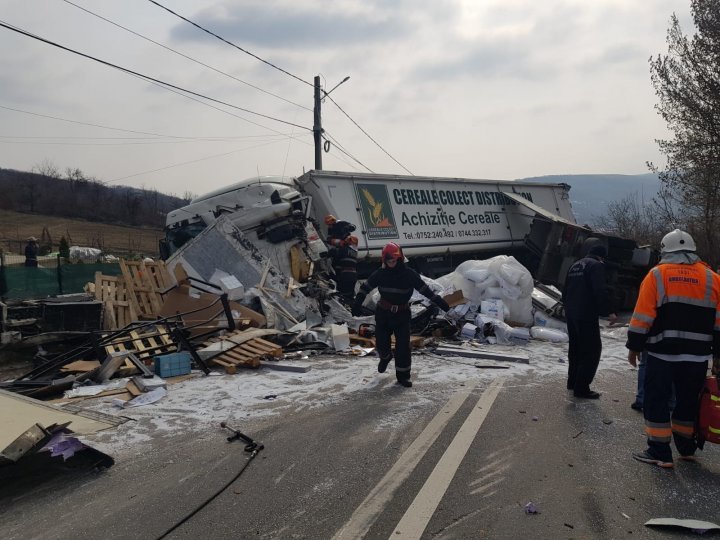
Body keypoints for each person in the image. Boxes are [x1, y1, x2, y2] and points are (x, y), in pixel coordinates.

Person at [626, 229, 720, 468]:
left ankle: (659, 451)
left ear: (665, 250)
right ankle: (686, 448)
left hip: (661, 353)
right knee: (688, 401)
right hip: (697, 357)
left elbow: (642, 317)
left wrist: (634, 347)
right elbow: (719, 324)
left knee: (656, 399)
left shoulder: (657, 275)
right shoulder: (713, 279)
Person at [351, 242, 449, 388]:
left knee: (403, 347)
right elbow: (365, 288)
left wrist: (441, 303)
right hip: (383, 314)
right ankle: (385, 357)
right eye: (388, 260)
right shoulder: (380, 274)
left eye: (394, 260)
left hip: (402, 315)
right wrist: (357, 304)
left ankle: (403, 376)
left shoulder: (409, 274)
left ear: (400, 258)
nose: (391, 262)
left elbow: (426, 290)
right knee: (381, 344)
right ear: (384, 260)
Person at [562, 243, 618, 398]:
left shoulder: (575, 265)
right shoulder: (596, 266)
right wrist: (609, 312)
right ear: (601, 256)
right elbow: (599, 290)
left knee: (575, 349)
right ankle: (581, 388)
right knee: (592, 351)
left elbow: (565, 290)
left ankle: (572, 382)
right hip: (586, 314)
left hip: (572, 313)